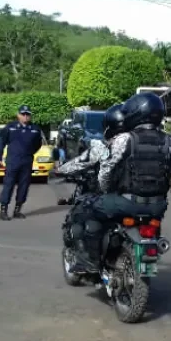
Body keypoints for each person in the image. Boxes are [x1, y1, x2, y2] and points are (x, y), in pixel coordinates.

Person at [81, 93, 171, 271]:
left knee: (90, 209)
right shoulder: (169, 141)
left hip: (126, 202)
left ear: (135, 114)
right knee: (153, 223)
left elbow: (107, 168)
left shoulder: (125, 138)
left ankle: (93, 261)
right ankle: (148, 257)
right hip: (157, 205)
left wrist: (105, 189)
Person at [54, 103, 126, 271]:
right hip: (136, 200)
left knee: (81, 220)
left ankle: (89, 261)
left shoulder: (102, 146)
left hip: (106, 198)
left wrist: (60, 171)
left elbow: (80, 163)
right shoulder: (137, 143)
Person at [0, 105, 43, 221]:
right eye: (23, 114)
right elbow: (1, 142)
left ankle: (17, 210)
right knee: (9, 185)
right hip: (13, 161)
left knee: (24, 186)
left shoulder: (35, 129)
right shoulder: (10, 127)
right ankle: (3, 210)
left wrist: (29, 153)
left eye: (28, 114)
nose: (26, 116)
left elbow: (38, 144)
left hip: (26, 162)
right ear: (18, 115)